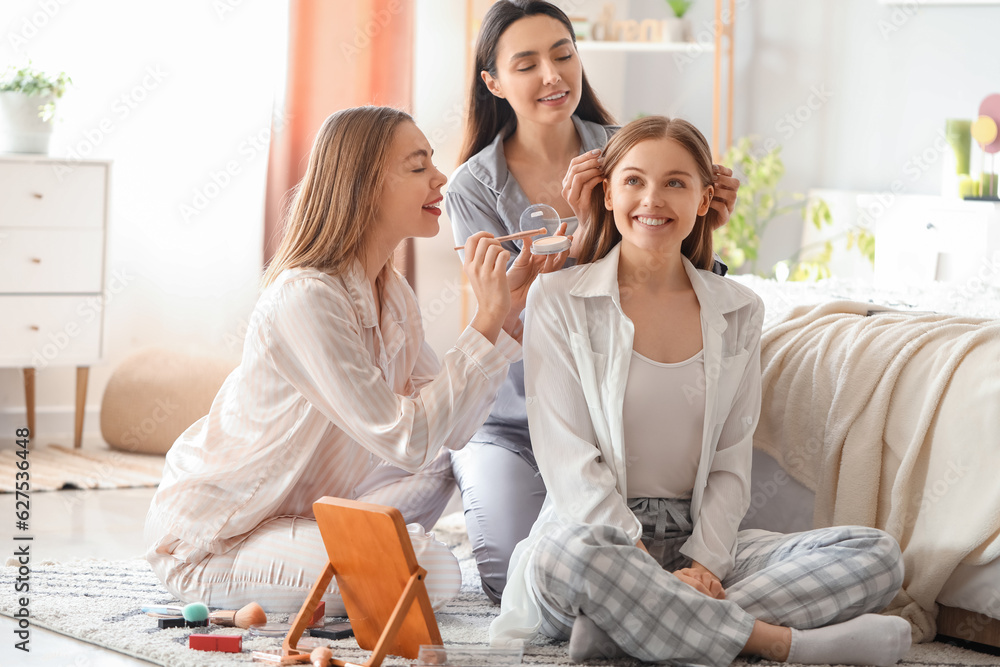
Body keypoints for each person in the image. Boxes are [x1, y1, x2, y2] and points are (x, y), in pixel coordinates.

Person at [491, 115, 911, 667]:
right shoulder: (558, 297)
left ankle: (629, 630)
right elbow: (566, 458)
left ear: (704, 197)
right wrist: (636, 560)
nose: (653, 199)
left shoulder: (738, 308)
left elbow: (731, 461)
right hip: (602, 544)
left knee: (875, 555)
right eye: (634, 180)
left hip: (699, 546)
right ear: (610, 192)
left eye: (675, 182)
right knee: (569, 558)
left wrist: (706, 566)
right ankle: (777, 643)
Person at [144, 106, 549, 614]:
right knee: (431, 572)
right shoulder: (306, 298)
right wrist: (484, 321)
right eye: (418, 166)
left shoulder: (393, 294)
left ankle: (340, 548)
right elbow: (407, 439)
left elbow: (454, 430)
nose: (441, 178)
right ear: (364, 185)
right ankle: (341, 554)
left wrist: (506, 313)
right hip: (217, 541)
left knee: (443, 474)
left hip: (303, 515)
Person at [445, 0, 741, 603]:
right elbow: (507, 318)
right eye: (526, 64)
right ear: (494, 82)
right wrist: (587, 235)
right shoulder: (472, 188)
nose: (553, 76)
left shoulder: (632, 153)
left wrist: (700, 224)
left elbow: (679, 289)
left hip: (614, 417)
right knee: (515, 580)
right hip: (514, 419)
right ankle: (665, 606)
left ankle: (659, 603)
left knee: (626, 563)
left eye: (563, 54)